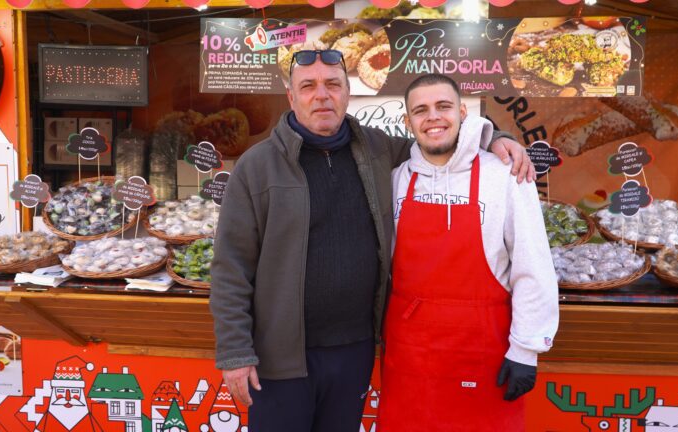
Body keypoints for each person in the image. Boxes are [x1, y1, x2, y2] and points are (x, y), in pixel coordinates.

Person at [209, 50, 534, 432]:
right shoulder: (257, 165)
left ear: (348, 92)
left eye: (333, 84)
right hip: (280, 356)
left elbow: (438, 136)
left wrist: (495, 137)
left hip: (356, 349)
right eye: (308, 86)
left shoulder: (378, 149)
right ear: (291, 97)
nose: (322, 95)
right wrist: (234, 352)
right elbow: (231, 266)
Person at [377, 74, 559, 432]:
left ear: (462, 112)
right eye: (421, 110)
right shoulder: (398, 178)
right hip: (409, 354)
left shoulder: (504, 175)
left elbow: (532, 266)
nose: (433, 117)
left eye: (443, 107)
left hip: (481, 352)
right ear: (407, 122)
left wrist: (526, 350)